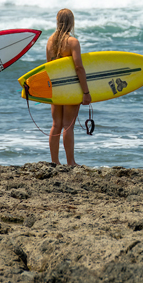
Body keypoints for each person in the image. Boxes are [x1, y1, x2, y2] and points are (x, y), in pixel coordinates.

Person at [44, 8, 91, 167]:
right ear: (71, 23)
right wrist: (86, 92)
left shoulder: (50, 41)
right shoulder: (73, 42)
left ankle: (54, 161)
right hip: (70, 88)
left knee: (56, 124)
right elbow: (79, 68)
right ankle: (71, 162)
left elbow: (49, 67)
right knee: (68, 125)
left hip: (56, 88)